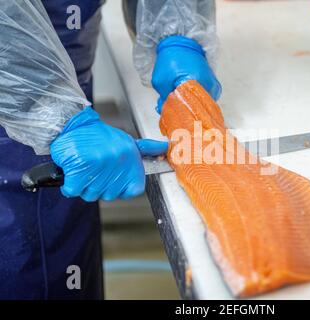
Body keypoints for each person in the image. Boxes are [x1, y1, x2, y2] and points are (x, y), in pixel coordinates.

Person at [0, 0, 221, 299]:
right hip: (16, 117)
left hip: (71, 97)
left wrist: (177, 29)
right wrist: (52, 112)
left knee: (66, 265)